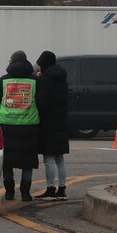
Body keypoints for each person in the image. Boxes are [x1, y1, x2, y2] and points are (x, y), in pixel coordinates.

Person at [0, 50, 40, 201]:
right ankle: (25, 193)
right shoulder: (35, 81)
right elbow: (43, 102)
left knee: (7, 161)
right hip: (29, 127)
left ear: (11, 62)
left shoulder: (3, 81)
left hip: (6, 125)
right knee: (28, 161)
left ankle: (9, 192)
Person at [35, 50, 70, 200]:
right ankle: (62, 189)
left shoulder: (45, 81)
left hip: (48, 123)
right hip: (61, 121)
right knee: (60, 158)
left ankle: (50, 188)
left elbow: (41, 103)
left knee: (48, 158)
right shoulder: (62, 79)